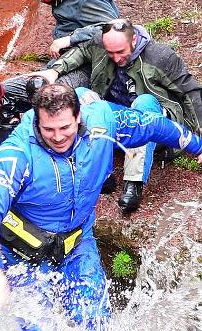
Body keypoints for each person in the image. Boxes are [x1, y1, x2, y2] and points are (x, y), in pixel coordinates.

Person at [0, 83, 202, 331]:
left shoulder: (102, 125)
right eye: (48, 129)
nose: (57, 137)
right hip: (21, 255)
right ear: (37, 121)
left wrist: (196, 146)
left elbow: (152, 125)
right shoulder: (16, 155)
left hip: (76, 246)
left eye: (65, 127)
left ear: (79, 117)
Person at [32, 18, 202, 213]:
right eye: (110, 52)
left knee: (143, 103)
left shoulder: (160, 57)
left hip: (153, 122)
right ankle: (102, 174)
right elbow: (79, 53)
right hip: (114, 119)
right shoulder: (100, 43)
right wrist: (54, 70)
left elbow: (190, 92)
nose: (115, 57)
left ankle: (133, 184)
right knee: (79, 96)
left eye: (120, 52)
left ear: (134, 40)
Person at [0, 0, 120, 148]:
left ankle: (51, 158)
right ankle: (9, 161)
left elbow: (114, 27)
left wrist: (69, 39)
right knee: (0, 92)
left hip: (90, 67)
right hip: (64, 63)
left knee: (43, 92)